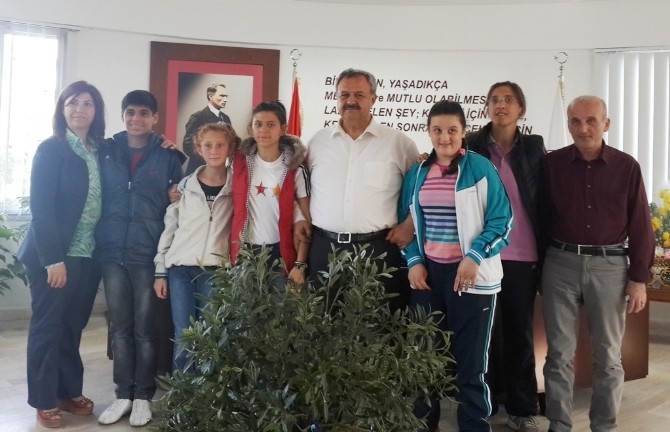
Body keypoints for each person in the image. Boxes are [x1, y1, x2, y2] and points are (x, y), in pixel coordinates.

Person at [540, 95, 654, 432]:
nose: (583, 128)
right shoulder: (552, 164)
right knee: (558, 355)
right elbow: (540, 217)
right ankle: (559, 425)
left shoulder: (626, 167)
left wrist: (639, 278)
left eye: (591, 120)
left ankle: (604, 426)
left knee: (607, 356)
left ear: (606, 123)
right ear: (568, 124)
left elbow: (641, 224)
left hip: (610, 267)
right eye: (575, 121)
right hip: (559, 264)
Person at [398, 100, 513, 432]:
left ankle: (474, 426)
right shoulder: (417, 173)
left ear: (464, 132)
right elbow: (405, 224)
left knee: (471, 364)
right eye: (437, 130)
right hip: (428, 277)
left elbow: (502, 221)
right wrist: (414, 261)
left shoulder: (480, 169)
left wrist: (474, 257)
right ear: (428, 132)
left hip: (471, 278)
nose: (444, 137)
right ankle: (424, 424)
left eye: (452, 130)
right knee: (423, 359)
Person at [17, 80, 106, 428]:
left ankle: (68, 391)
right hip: (52, 256)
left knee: (72, 326)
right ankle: (43, 399)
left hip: (87, 254)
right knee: (49, 326)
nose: (79, 109)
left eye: (87, 103)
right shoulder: (52, 149)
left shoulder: (100, 149)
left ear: (96, 111)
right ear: (62, 109)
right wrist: (53, 260)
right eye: (72, 103)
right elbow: (41, 208)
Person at [95, 90, 185, 427]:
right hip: (111, 252)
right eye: (130, 112)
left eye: (144, 113)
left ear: (155, 118)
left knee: (146, 330)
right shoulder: (106, 151)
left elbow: (178, 199)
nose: (136, 119)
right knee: (120, 328)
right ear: (122, 116)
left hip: (147, 254)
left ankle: (143, 396)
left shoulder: (167, 155)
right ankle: (123, 394)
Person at [466, 81, 546, 431]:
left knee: (519, 334)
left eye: (508, 100)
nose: (501, 105)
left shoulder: (533, 148)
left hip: (522, 254)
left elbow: (543, 198)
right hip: (482, 254)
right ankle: (483, 404)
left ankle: (522, 408)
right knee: (481, 336)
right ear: (486, 107)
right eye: (494, 100)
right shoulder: (471, 145)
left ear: (520, 109)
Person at [306, 68, 419, 310]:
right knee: (322, 323)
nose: (351, 101)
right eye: (344, 95)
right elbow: (301, 190)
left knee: (377, 323)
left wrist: (410, 224)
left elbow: (422, 190)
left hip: (378, 251)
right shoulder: (318, 143)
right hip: (324, 249)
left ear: (373, 99)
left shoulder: (399, 144)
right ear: (336, 98)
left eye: (359, 95)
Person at [154, 122, 239, 370]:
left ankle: (206, 391)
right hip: (180, 270)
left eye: (220, 145)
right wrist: (161, 270)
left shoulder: (236, 188)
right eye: (208, 145)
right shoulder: (185, 186)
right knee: (184, 333)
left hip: (215, 270)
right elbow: (170, 228)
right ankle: (183, 389)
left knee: (211, 333)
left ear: (230, 148)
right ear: (199, 149)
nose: (214, 150)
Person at [230, 100, 310, 284]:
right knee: (245, 303)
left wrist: (300, 263)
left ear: (283, 129)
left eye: (271, 124)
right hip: (246, 252)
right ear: (251, 129)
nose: (263, 130)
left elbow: (306, 221)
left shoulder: (295, 168)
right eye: (258, 124)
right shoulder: (239, 162)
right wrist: (182, 187)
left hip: (280, 252)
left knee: (280, 302)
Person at [183, 83, 231, 175]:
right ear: (210, 96)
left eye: (226, 96)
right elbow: (188, 146)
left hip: (220, 173)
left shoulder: (226, 118)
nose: (225, 99)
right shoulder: (198, 117)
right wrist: (210, 159)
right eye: (222, 96)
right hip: (199, 172)